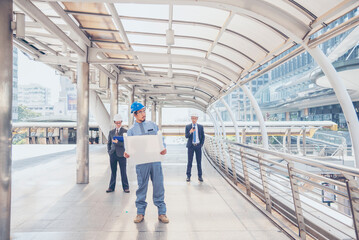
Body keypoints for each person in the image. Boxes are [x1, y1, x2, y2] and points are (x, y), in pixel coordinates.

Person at [124, 102, 169, 224]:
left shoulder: (152, 125)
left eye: (144, 111)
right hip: (142, 162)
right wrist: (127, 153)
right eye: (141, 112)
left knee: (159, 186)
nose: (143, 114)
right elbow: (128, 148)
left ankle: (162, 212)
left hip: (155, 160)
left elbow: (161, 139)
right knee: (142, 187)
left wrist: (163, 147)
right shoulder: (131, 132)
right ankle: (140, 212)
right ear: (135, 114)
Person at [106, 114, 130, 193]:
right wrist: (109, 152)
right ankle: (111, 187)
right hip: (113, 154)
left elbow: (126, 144)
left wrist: (118, 142)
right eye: (117, 123)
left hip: (122, 154)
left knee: (123, 171)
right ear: (114, 122)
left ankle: (126, 187)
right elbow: (109, 143)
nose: (118, 124)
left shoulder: (125, 132)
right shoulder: (111, 132)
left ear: (121, 122)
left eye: (119, 123)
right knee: (113, 172)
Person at [185, 112, 205, 182]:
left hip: (198, 146)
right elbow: (186, 136)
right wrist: (190, 132)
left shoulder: (200, 127)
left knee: (199, 162)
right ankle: (188, 176)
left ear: (197, 119)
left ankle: (200, 176)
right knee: (189, 162)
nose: (194, 120)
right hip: (191, 146)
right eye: (192, 118)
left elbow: (203, 136)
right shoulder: (187, 126)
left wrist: (201, 144)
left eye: (195, 118)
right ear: (191, 119)